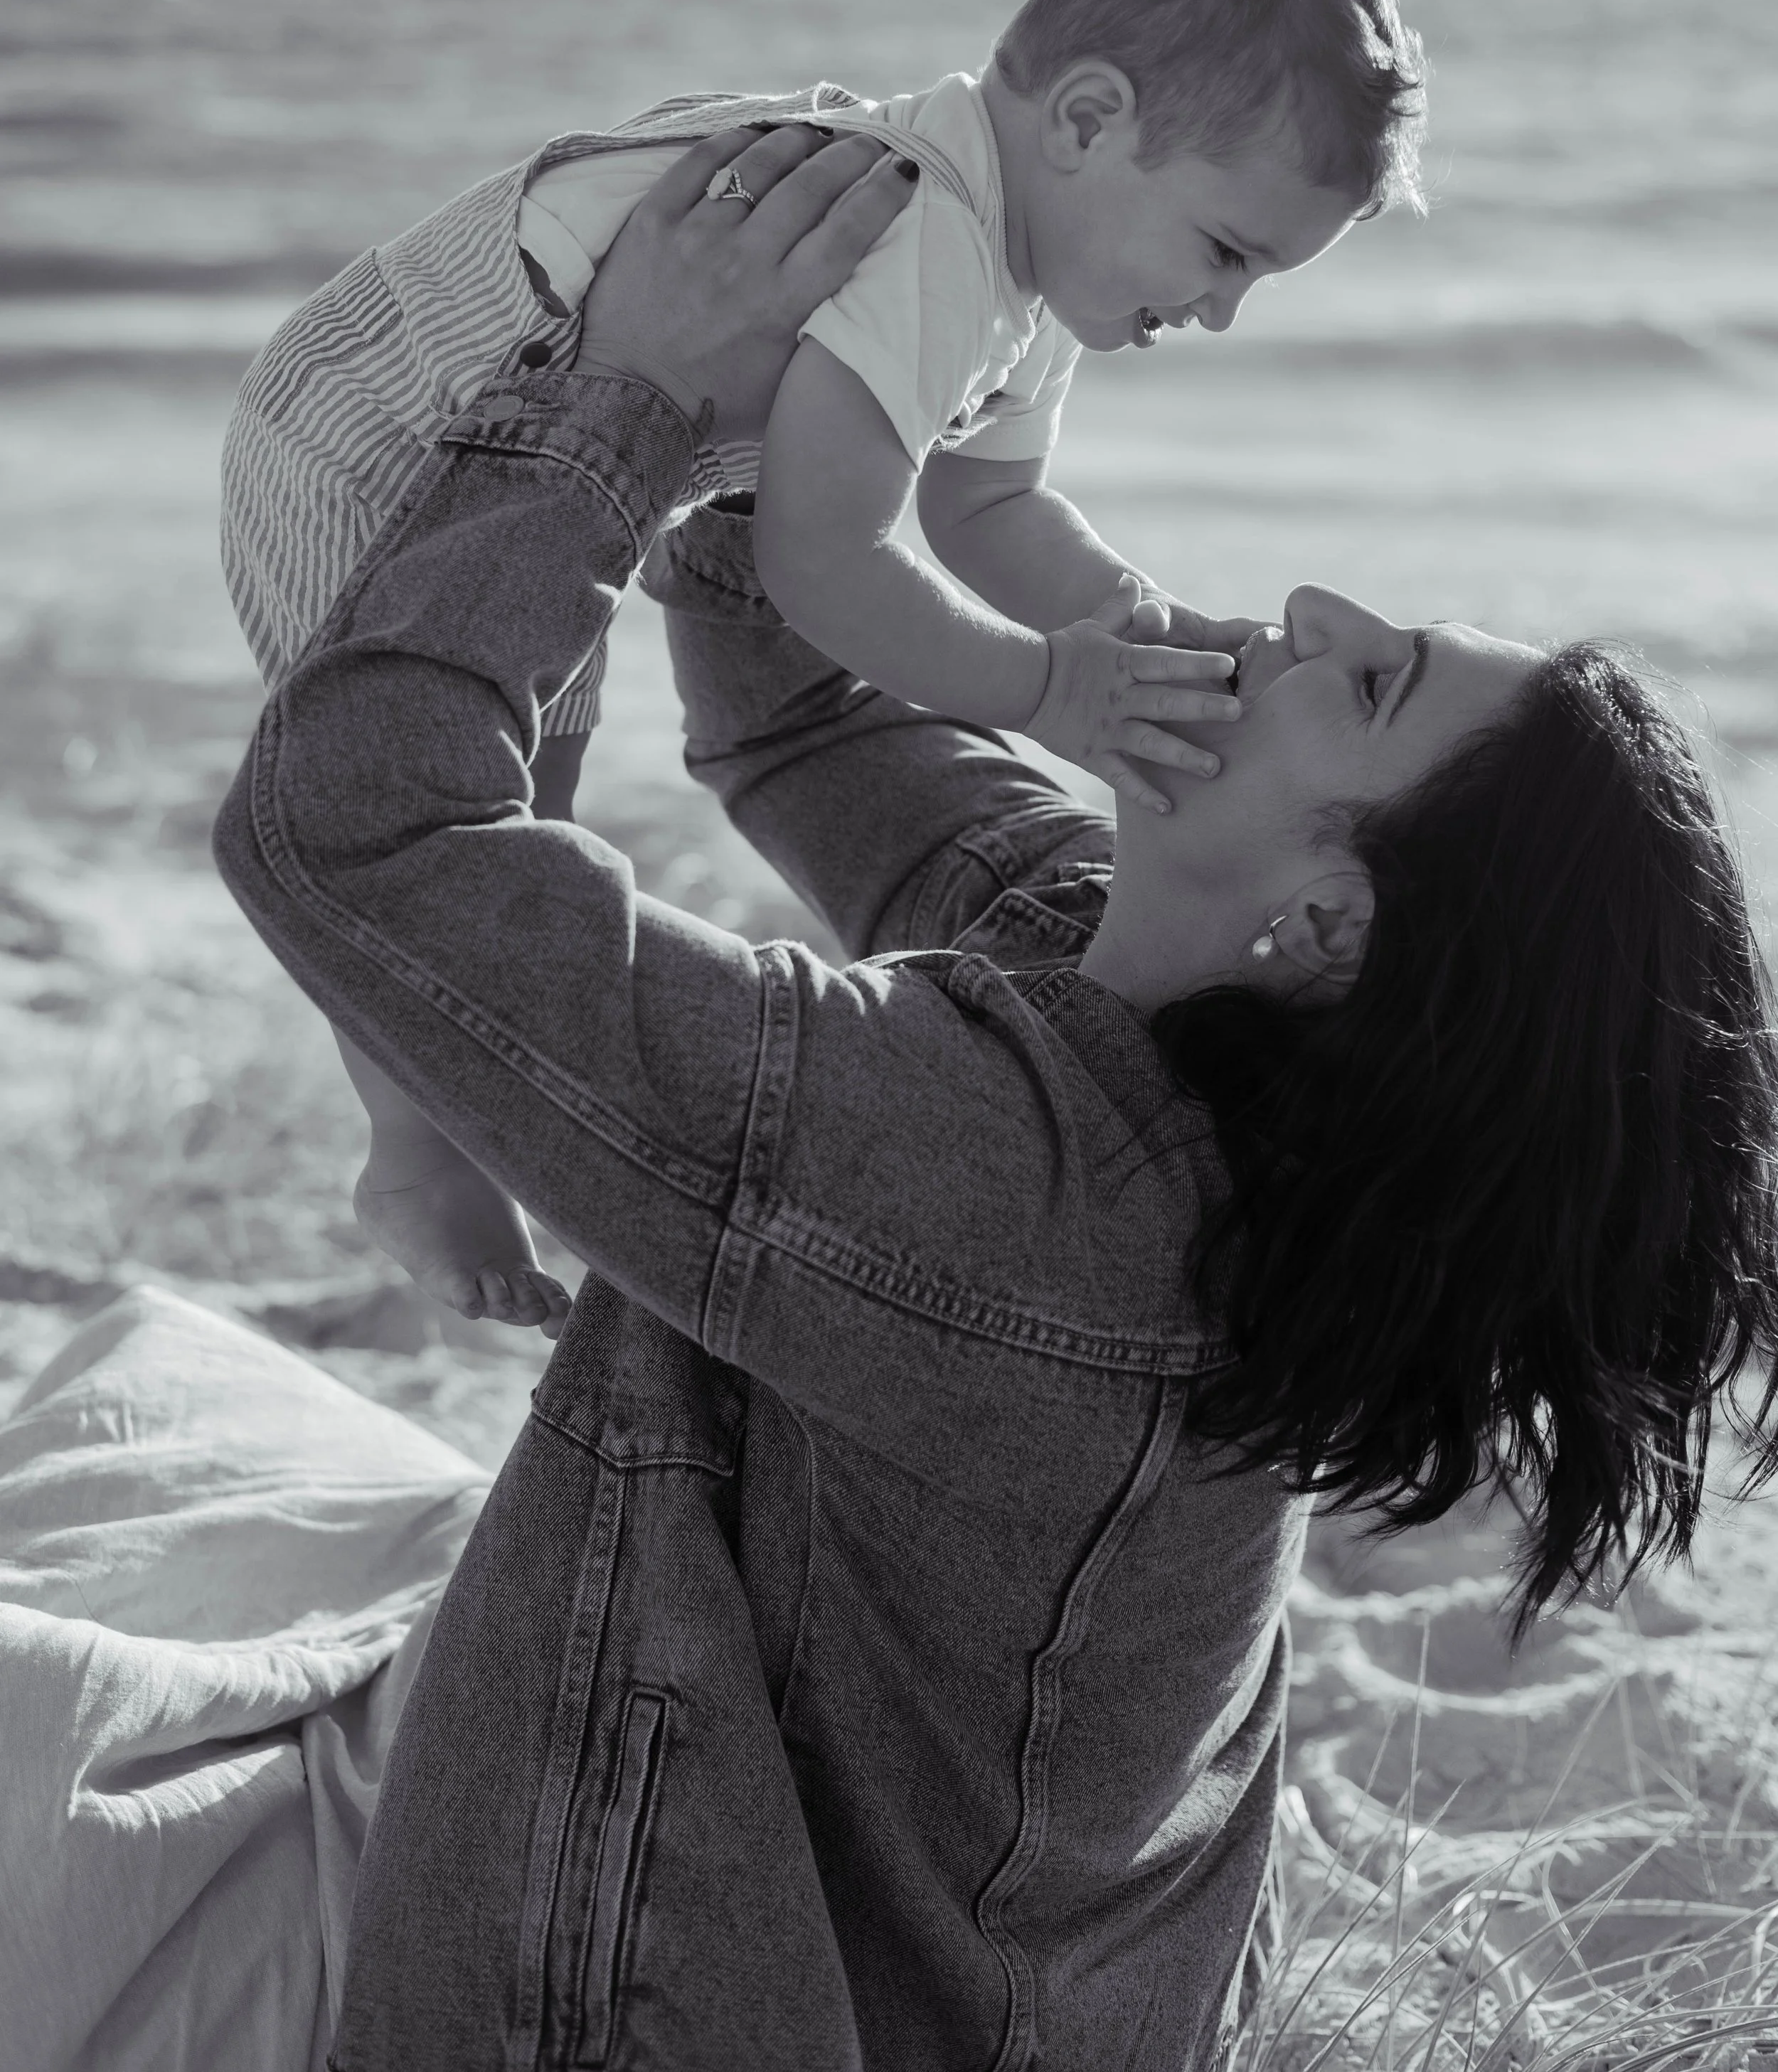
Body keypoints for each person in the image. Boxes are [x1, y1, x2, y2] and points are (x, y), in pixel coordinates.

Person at [211, 130, 1778, 2070]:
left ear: (1325, 920)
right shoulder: (1167, 1021)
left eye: (1367, 682)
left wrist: (615, 397)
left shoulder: (1006, 1192)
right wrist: (859, 363)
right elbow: (800, 708)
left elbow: (354, 826)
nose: (1308, 603)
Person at [218, 0, 1425, 1333]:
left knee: (527, 827)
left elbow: (990, 509)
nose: (1221, 311)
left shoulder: (1027, 275)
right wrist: (1049, 690)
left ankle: (453, 1126)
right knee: (433, 814)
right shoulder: (930, 240)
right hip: (367, 438)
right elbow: (822, 557)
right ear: (1087, 120)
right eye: (1225, 251)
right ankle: (414, 1156)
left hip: (555, 484)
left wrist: (1142, 631)